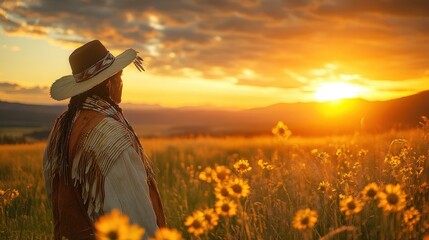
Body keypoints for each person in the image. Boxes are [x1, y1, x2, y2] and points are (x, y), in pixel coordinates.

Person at [43, 40, 166, 239]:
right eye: (120, 77)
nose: (122, 83)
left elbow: (54, 193)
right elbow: (134, 217)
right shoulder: (110, 135)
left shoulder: (62, 126)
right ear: (109, 84)